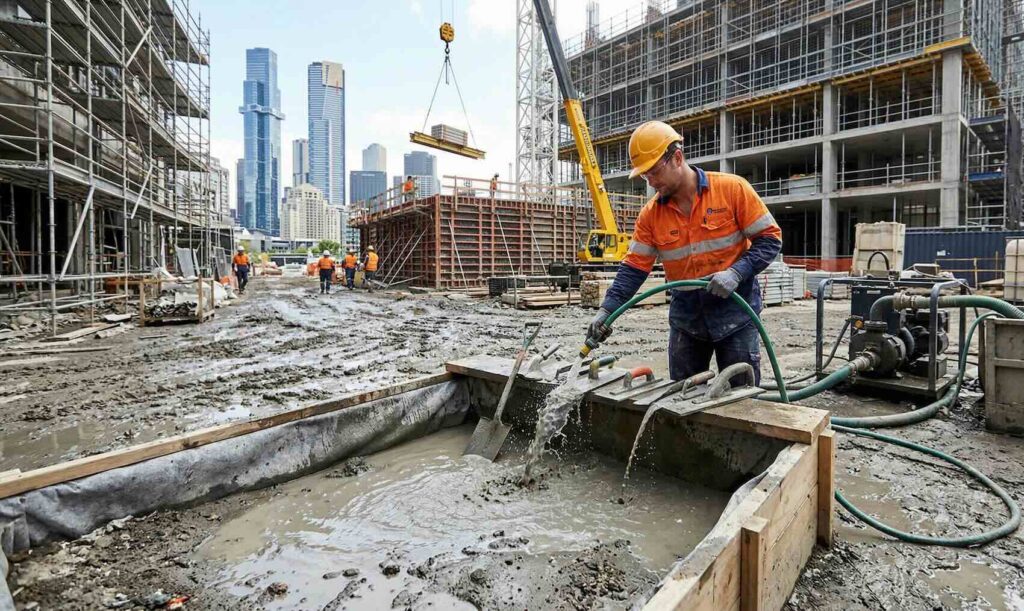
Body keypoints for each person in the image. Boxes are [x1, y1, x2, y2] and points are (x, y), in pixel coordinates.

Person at [585, 121, 782, 385]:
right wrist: (606, 310)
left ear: (677, 157)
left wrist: (737, 273)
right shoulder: (650, 216)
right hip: (687, 320)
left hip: (736, 311)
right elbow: (633, 269)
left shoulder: (732, 189)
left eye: (654, 172)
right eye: (645, 176)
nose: (651, 182)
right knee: (681, 398)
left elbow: (770, 239)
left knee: (741, 397)